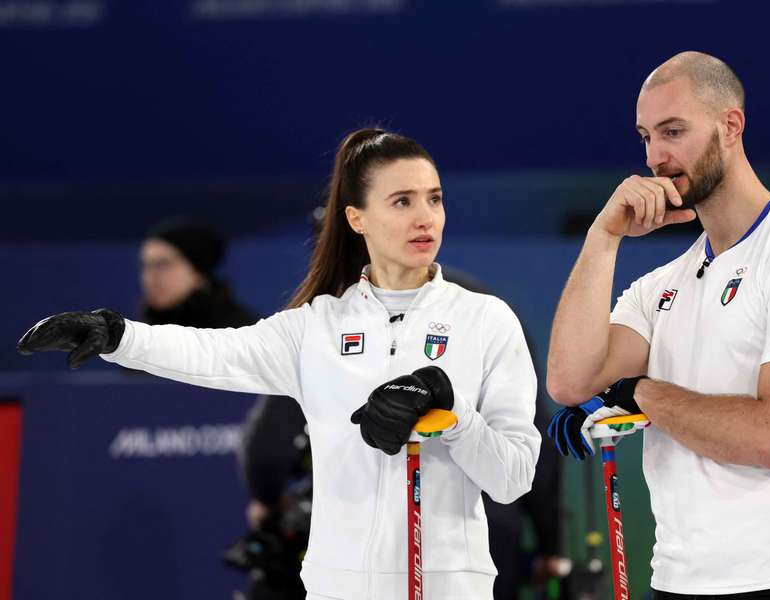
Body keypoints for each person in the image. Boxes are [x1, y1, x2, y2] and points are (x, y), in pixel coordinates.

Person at [17, 128, 540, 599]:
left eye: (435, 199)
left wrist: (453, 415)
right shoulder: (316, 327)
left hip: (452, 586)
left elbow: (513, 477)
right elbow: (211, 353)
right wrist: (117, 335)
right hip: (338, 588)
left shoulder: (486, 320)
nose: (426, 217)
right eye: (402, 201)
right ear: (356, 217)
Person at [546, 52, 770, 599]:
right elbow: (570, 382)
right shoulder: (662, 284)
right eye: (646, 136)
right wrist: (603, 239)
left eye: (673, 131)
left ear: (731, 126)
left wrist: (641, 393)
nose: (656, 157)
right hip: (677, 581)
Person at [139, 219, 258, 328]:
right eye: (145, 265)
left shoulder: (241, 334)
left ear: (198, 272)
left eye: (163, 264)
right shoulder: (142, 334)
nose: (149, 277)